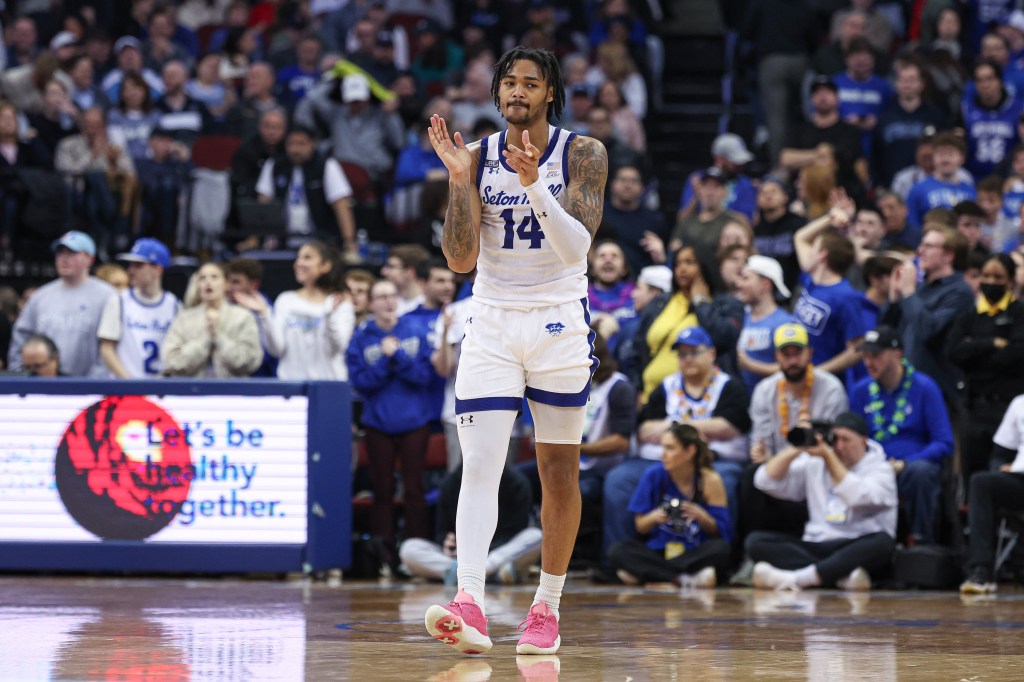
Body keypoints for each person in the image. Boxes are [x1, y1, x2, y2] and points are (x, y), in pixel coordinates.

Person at [422, 45, 608, 656]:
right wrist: (457, 181)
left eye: (530, 83)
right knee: (480, 464)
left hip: (558, 319)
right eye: (509, 82)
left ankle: (545, 608)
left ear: (550, 92)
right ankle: (468, 599)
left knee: (558, 471)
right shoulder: (473, 159)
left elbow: (575, 248)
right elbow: (459, 259)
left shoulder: (582, 153)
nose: (517, 92)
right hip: (493, 320)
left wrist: (535, 187)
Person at [346, 279, 437, 574]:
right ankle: (384, 556)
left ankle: (416, 555)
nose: (387, 301)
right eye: (381, 296)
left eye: (391, 295)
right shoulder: (361, 337)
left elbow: (425, 376)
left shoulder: (415, 330)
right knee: (381, 490)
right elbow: (361, 384)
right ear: (370, 303)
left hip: (414, 421)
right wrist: (386, 360)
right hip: (377, 423)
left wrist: (396, 355)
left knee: (414, 489)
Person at [748, 412, 897, 591]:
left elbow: (856, 497)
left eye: (846, 440)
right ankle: (839, 576)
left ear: (864, 441)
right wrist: (797, 446)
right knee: (756, 542)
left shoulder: (880, 469)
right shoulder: (815, 462)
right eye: (835, 439)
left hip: (856, 543)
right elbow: (765, 482)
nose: (839, 446)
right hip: (818, 544)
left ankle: (799, 578)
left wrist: (829, 457)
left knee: (883, 543)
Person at [633, 326, 751, 531]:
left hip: (715, 461)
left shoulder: (729, 386)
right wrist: (701, 429)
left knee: (725, 481)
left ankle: (724, 550)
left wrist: (675, 426)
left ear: (712, 354)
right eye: (682, 354)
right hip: (666, 460)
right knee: (619, 480)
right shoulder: (667, 386)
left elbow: (729, 427)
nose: (687, 359)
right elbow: (644, 429)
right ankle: (633, 551)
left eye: (694, 352)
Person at [849, 327, 954, 544]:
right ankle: (851, 542)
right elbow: (849, 436)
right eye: (865, 356)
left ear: (897, 354)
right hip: (871, 467)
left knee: (921, 472)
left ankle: (921, 544)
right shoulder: (860, 391)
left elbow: (944, 442)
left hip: (910, 467)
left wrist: (906, 464)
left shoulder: (925, 387)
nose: (868, 363)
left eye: (876, 355)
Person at [608, 423, 732, 588]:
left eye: (670, 448)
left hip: (693, 551)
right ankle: (683, 579)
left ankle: (654, 576)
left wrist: (703, 517)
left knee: (721, 549)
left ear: (690, 451)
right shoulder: (654, 474)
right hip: (659, 551)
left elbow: (722, 531)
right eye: (662, 447)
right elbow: (640, 526)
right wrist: (654, 517)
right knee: (618, 550)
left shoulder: (710, 479)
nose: (663, 455)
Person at [947, 253, 1024, 486]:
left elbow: (1016, 355)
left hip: (1007, 406)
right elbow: (953, 352)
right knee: (971, 474)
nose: (991, 281)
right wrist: (990, 344)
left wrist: (974, 351)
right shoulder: (969, 315)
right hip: (973, 406)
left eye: (998, 277)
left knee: (1003, 474)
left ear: (1010, 281)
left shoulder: (1019, 313)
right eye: (986, 276)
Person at [399, 463, 543, 585]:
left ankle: (469, 575)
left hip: (495, 553)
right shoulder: (451, 483)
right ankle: (487, 575)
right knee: (409, 548)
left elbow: (513, 533)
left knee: (536, 536)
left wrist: (480, 553)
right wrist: (447, 544)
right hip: (460, 558)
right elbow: (442, 531)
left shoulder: (516, 483)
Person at [880, 224, 975, 406]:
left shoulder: (960, 292)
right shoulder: (921, 289)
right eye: (921, 245)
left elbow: (928, 331)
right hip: (905, 384)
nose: (919, 250)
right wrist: (893, 299)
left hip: (938, 390)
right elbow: (886, 333)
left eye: (929, 246)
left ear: (949, 255)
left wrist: (908, 292)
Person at [234, 242, 355, 381]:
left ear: (325, 266)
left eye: (307, 257)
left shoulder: (339, 302)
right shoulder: (286, 300)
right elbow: (276, 350)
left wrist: (328, 316)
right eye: (298, 258)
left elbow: (336, 348)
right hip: (291, 388)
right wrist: (264, 314)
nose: (299, 263)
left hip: (328, 387)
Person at [7, 231, 115, 376]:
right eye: (60, 253)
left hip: (90, 386)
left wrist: (95, 383)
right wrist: (22, 377)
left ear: (89, 259)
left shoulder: (107, 295)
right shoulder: (40, 296)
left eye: (72, 253)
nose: (64, 259)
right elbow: (20, 339)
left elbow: (112, 346)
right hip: (42, 386)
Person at [254, 125, 357, 257]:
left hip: (321, 239)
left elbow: (341, 204)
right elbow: (263, 202)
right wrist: (256, 237)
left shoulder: (326, 165)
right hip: (283, 239)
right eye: (291, 144)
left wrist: (349, 241)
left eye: (301, 144)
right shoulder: (275, 165)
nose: (295, 149)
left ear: (312, 144)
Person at [792, 205, 867, 383]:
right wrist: (830, 218)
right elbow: (800, 237)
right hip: (797, 373)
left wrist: (818, 372)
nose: (808, 253)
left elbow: (857, 350)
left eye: (814, 249)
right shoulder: (811, 278)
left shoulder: (846, 297)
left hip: (823, 382)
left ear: (822, 256)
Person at [960, 393, 1024, 594]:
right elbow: (1000, 454)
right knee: (981, 482)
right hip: (1021, 479)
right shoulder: (1019, 403)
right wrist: (999, 468)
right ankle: (981, 570)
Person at [160, 263, 262, 378]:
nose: (208, 282)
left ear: (226, 284)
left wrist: (219, 337)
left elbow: (251, 362)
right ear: (198, 285)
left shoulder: (243, 317)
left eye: (214, 277)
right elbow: (172, 362)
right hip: (192, 392)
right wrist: (206, 338)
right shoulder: (184, 319)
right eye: (202, 278)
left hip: (232, 393)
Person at [97, 238, 179, 378]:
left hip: (161, 391)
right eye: (131, 265)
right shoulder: (119, 300)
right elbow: (106, 349)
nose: (131, 271)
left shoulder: (174, 305)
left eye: (138, 265)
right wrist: (130, 384)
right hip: (124, 388)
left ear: (157, 269)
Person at [736, 255, 795, 394]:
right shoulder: (739, 316)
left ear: (765, 284)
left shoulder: (785, 324)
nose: (740, 284)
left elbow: (793, 366)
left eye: (746, 279)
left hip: (773, 401)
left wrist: (749, 365)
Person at [601, 164, 668, 274]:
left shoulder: (655, 220)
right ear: (612, 184)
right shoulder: (598, 215)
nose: (628, 185)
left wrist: (660, 257)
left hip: (642, 283)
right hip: (600, 282)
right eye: (623, 179)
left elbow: (662, 257)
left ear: (642, 187)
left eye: (634, 181)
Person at [905, 133, 977, 231]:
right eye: (941, 154)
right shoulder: (918, 189)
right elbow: (912, 225)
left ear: (961, 158)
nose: (945, 159)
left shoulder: (970, 190)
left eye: (950, 154)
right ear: (933, 158)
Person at [224, 258, 278, 378]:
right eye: (227, 280)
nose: (228, 287)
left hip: (262, 377)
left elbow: (271, 353)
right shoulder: (221, 305)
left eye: (236, 282)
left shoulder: (267, 309)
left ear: (254, 285)